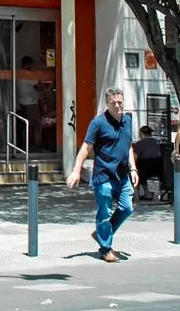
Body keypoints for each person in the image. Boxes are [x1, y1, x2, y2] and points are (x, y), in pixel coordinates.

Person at [68, 87, 138, 263]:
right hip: (104, 176)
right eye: (113, 103)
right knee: (104, 212)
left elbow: (129, 146)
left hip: (122, 176)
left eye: (120, 102)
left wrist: (134, 168)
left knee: (127, 208)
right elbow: (86, 147)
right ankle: (105, 248)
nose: (117, 106)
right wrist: (77, 170)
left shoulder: (128, 120)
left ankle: (101, 233)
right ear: (107, 104)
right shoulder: (98, 123)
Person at [134, 125, 168, 203]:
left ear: (142, 133)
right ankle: (155, 193)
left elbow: (134, 158)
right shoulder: (157, 142)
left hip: (144, 170)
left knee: (139, 170)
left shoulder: (139, 144)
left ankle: (146, 193)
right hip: (158, 168)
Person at [16, 57, 42, 150]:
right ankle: (36, 145)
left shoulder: (19, 73)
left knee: (26, 124)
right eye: (31, 64)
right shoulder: (28, 74)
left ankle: (25, 144)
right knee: (36, 124)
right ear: (27, 64)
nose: (32, 66)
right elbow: (38, 86)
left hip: (23, 102)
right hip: (31, 102)